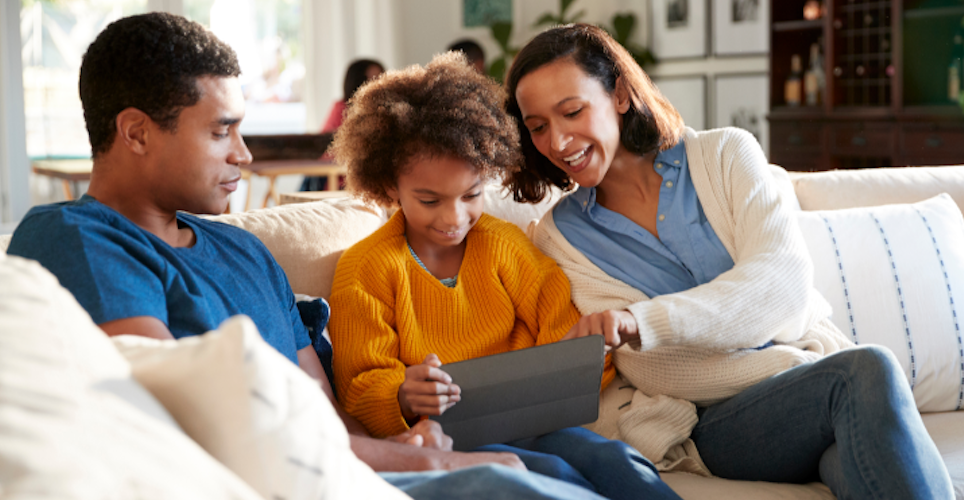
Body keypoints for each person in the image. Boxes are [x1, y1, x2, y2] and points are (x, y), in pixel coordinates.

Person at [4, 13, 610, 500]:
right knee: (514, 479)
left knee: (576, 467)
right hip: (296, 479)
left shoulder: (243, 251)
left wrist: (421, 445)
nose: (243, 155)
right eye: (221, 132)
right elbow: (189, 417)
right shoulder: (76, 238)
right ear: (136, 132)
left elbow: (330, 420)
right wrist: (432, 459)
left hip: (362, 464)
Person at [503, 24, 954, 499]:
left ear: (618, 94)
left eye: (572, 111)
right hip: (717, 423)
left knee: (853, 464)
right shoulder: (560, 238)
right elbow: (657, 368)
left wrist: (642, 320)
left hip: (808, 391)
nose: (557, 142)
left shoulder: (726, 155)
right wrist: (777, 349)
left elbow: (782, 286)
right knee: (865, 369)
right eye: (537, 127)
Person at [326, 51, 682, 500]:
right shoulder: (367, 268)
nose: (454, 218)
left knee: (616, 460)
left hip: (532, 420)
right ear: (389, 186)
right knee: (552, 474)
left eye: (471, 194)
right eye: (429, 200)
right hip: (445, 439)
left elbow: (564, 328)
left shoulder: (502, 244)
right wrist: (402, 393)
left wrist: (569, 367)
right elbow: (358, 387)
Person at [302, 58, 387, 192]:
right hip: (340, 182)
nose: (379, 85)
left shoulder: (387, 112)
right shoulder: (342, 109)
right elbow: (328, 148)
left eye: (382, 78)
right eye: (372, 80)